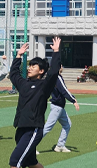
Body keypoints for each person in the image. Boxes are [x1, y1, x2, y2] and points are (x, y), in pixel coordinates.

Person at [9, 38, 62, 168]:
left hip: (33, 129)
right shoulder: (23, 84)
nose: (30, 68)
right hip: (20, 128)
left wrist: (56, 52)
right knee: (31, 163)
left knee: (15, 162)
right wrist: (18, 56)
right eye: (30, 66)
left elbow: (53, 73)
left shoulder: (44, 86)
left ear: (41, 71)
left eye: (34, 66)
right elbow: (13, 74)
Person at [41, 66, 80, 152]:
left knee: (67, 124)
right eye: (61, 65)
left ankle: (60, 145)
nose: (62, 67)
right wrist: (73, 100)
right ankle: (31, 145)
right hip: (57, 107)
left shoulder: (54, 77)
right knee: (48, 127)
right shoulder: (57, 77)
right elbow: (64, 90)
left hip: (59, 107)